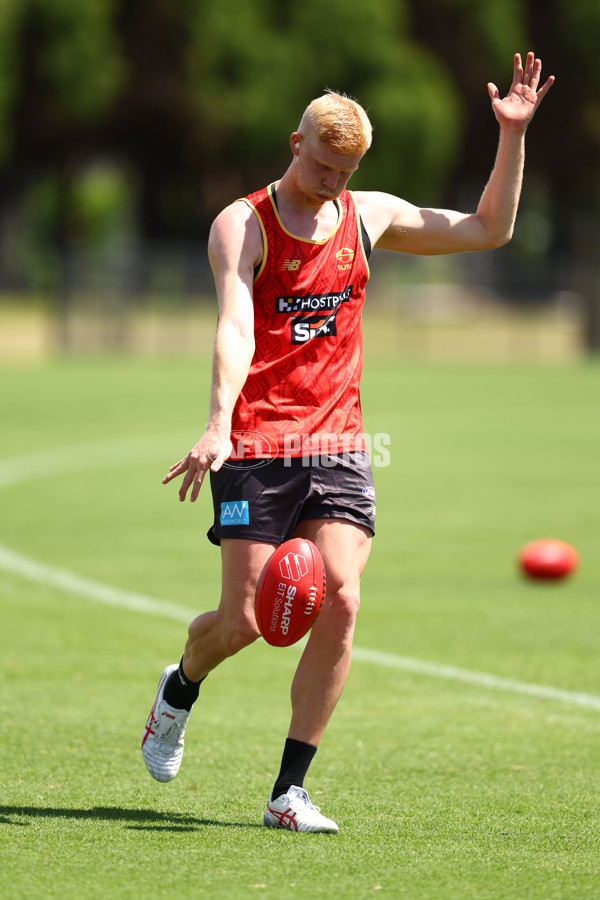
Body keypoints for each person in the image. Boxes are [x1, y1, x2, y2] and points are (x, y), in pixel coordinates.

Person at [141, 52, 554, 833]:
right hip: (257, 444)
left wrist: (512, 136)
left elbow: (488, 229)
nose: (333, 181)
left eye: (347, 169)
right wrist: (217, 422)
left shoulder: (366, 216)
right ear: (294, 144)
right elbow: (233, 324)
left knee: (341, 597)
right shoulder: (243, 224)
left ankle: (287, 793)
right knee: (248, 624)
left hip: (337, 444)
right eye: (324, 164)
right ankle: (180, 688)